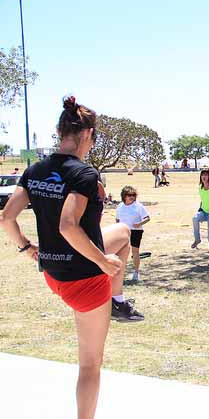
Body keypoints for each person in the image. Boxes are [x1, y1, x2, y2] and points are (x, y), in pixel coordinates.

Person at [0, 96, 143, 419]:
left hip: (53, 270)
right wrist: (105, 263)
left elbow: (7, 218)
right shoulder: (84, 175)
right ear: (88, 134)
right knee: (91, 363)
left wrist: (26, 248)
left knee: (121, 231)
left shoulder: (35, 170)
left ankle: (118, 299)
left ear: (59, 131)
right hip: (84, 281)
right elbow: (68, 225)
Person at [115, 186, 150, 282]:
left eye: (134, 195)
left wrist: (139, 224)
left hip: (136, 231)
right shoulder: (120, 206)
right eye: (129, 195)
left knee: (135, 252)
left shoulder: (138, 206)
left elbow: (147, 218)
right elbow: (117, 219)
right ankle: (120, 272)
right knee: (121, 252)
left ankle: (136, 272)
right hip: (122, 230)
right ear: (124, 196)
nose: (132, 197)